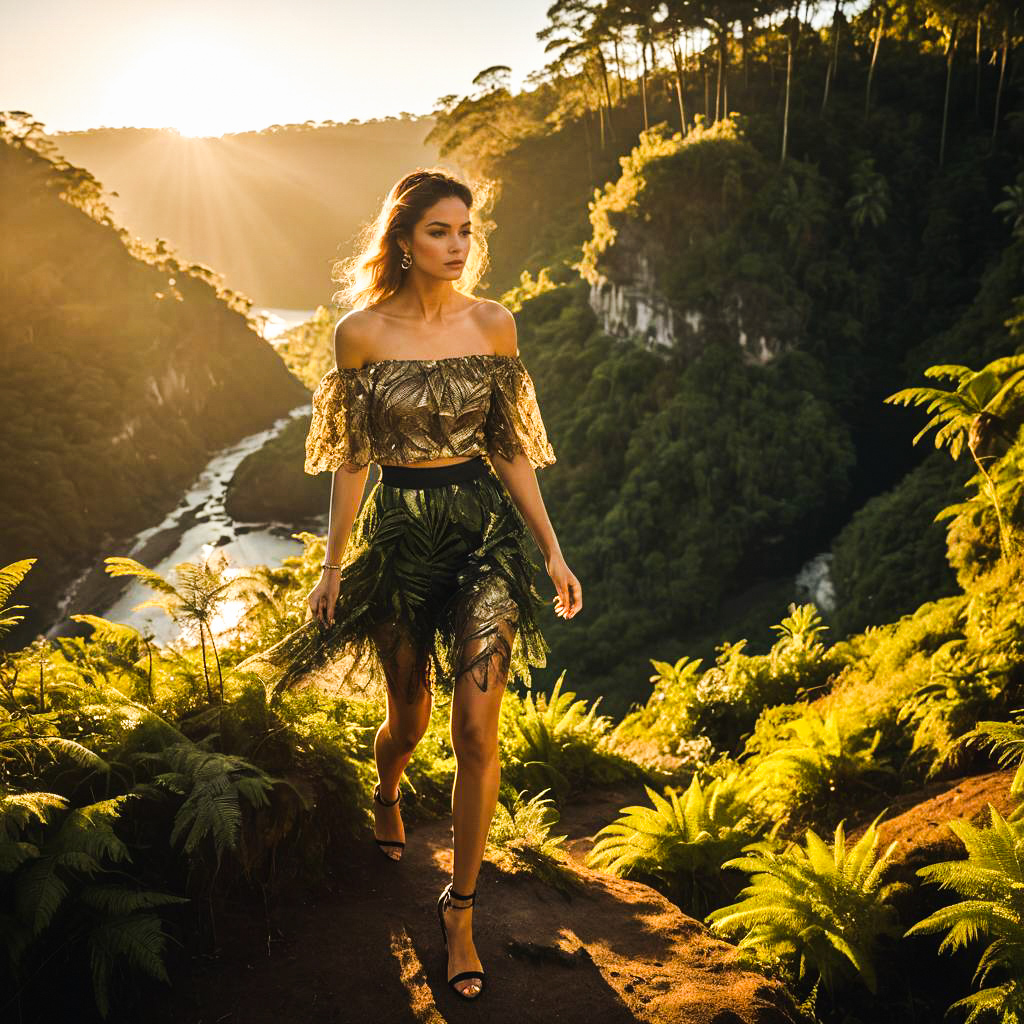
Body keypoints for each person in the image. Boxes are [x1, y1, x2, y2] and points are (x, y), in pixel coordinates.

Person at [237, 168, 581, 1000]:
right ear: (403, 238)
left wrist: (552, 551)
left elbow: (509, 449)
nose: (458, 246)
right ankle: (387, 786)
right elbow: (353, 460)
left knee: (476, 728)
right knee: (410, 717)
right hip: (398, 540)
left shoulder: (495, 325)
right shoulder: (359, 335)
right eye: (439, 231)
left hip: (483, 540)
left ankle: (459, 909)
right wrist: (330, 567)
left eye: (466, 230)